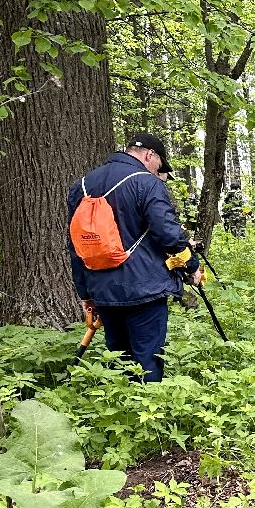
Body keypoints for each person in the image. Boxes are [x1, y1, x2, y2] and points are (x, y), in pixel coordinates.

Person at [67, 132, 202, 383]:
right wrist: (192, 266)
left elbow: (76, 245)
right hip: (144, 287)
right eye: (159, 165)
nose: (157, 171)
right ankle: (148, 404)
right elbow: (169, 235)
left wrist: (85, 292)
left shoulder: (82, 185)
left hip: (102, 289)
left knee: (119, 358)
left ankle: (122, 402)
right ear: (150, 155)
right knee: (147, 359)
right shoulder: (147, 183)